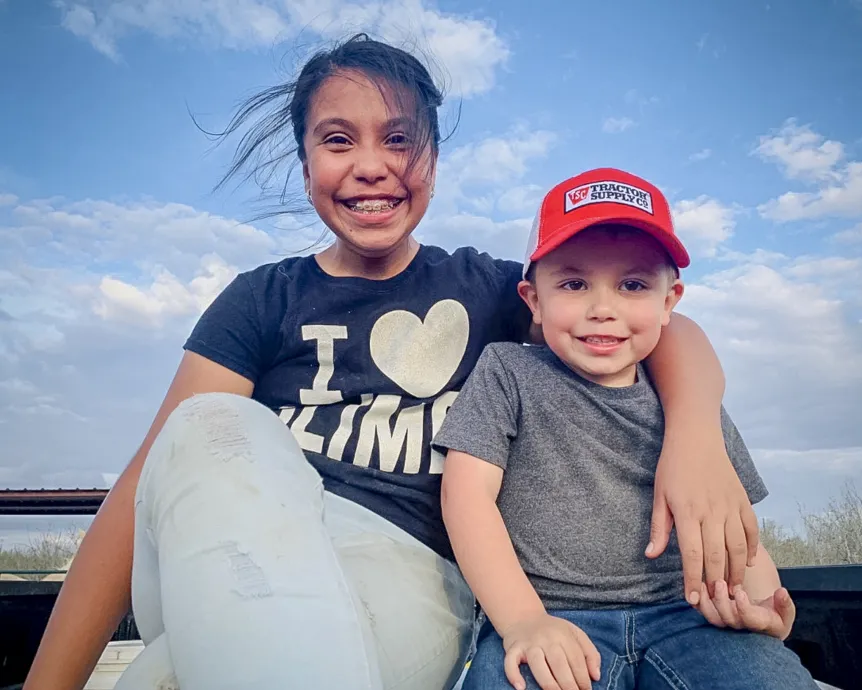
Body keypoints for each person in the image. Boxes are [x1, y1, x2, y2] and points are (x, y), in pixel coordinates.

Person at [25, 36, 758, 690]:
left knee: (163, 678)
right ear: (306, 157)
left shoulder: (489, 290)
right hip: (234, 545)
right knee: (210, 423)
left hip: (408, 578)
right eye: (338, 140)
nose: (370, 166)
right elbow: (147, 490)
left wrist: (695, 442)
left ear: (433, 160)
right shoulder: (261, 300)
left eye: (399, 139)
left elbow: (663, 328)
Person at [435, 167, 817, 690]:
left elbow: (733, 526)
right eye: (573, 283)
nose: (603, 308)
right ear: (534, 300)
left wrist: (762, 605)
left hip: (690, 617)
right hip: (554, 616)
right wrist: (524, 621)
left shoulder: (692, 410)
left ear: (669, 302)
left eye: (632, 285)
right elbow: (466, 496)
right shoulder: (508, 373)